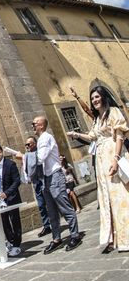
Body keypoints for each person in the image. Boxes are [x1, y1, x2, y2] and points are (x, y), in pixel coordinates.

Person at [68, 86, 129, 253]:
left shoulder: (114, 112)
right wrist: (77, 134)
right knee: (107, 198)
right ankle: (114, 237)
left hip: (113, 155)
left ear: (103, 97)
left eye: (96, 97)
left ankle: (126, 236)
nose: (94, 100)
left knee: (120, 195)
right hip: (101, 160)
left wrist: (116, 160)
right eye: (92, 98)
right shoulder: (97, 119)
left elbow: (119, 136)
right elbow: (92, 137)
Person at [33, 116, 81, 254]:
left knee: (65, 208)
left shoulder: (45, 138)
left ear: (41, 125)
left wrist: (24, 157)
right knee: (52, 212)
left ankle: (75, 235)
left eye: (34, 124)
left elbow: (41, 157)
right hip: (47, 178)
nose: (32, 126)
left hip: (55, 176)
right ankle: (56, 239)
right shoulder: (41, 139)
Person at [0, 144, 23, 257]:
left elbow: (17, 181)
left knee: (15, 221)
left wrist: (6, 193)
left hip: (11, 198)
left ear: (0, 153)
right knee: (4, 222)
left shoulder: (10, 164)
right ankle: (11, 241)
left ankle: (17, 245)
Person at [15, 136, 51, 237]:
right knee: (41, 205)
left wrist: (23, 157)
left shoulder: (39, 152)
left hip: (44, 181)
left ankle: (56, 222)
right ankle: (47, 225)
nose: (27, 146)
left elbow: (35, 160)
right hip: (36, 183)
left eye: (29, 144)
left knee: (50, 203)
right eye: (25, 144)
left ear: (35, 144)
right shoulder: (28, 154)